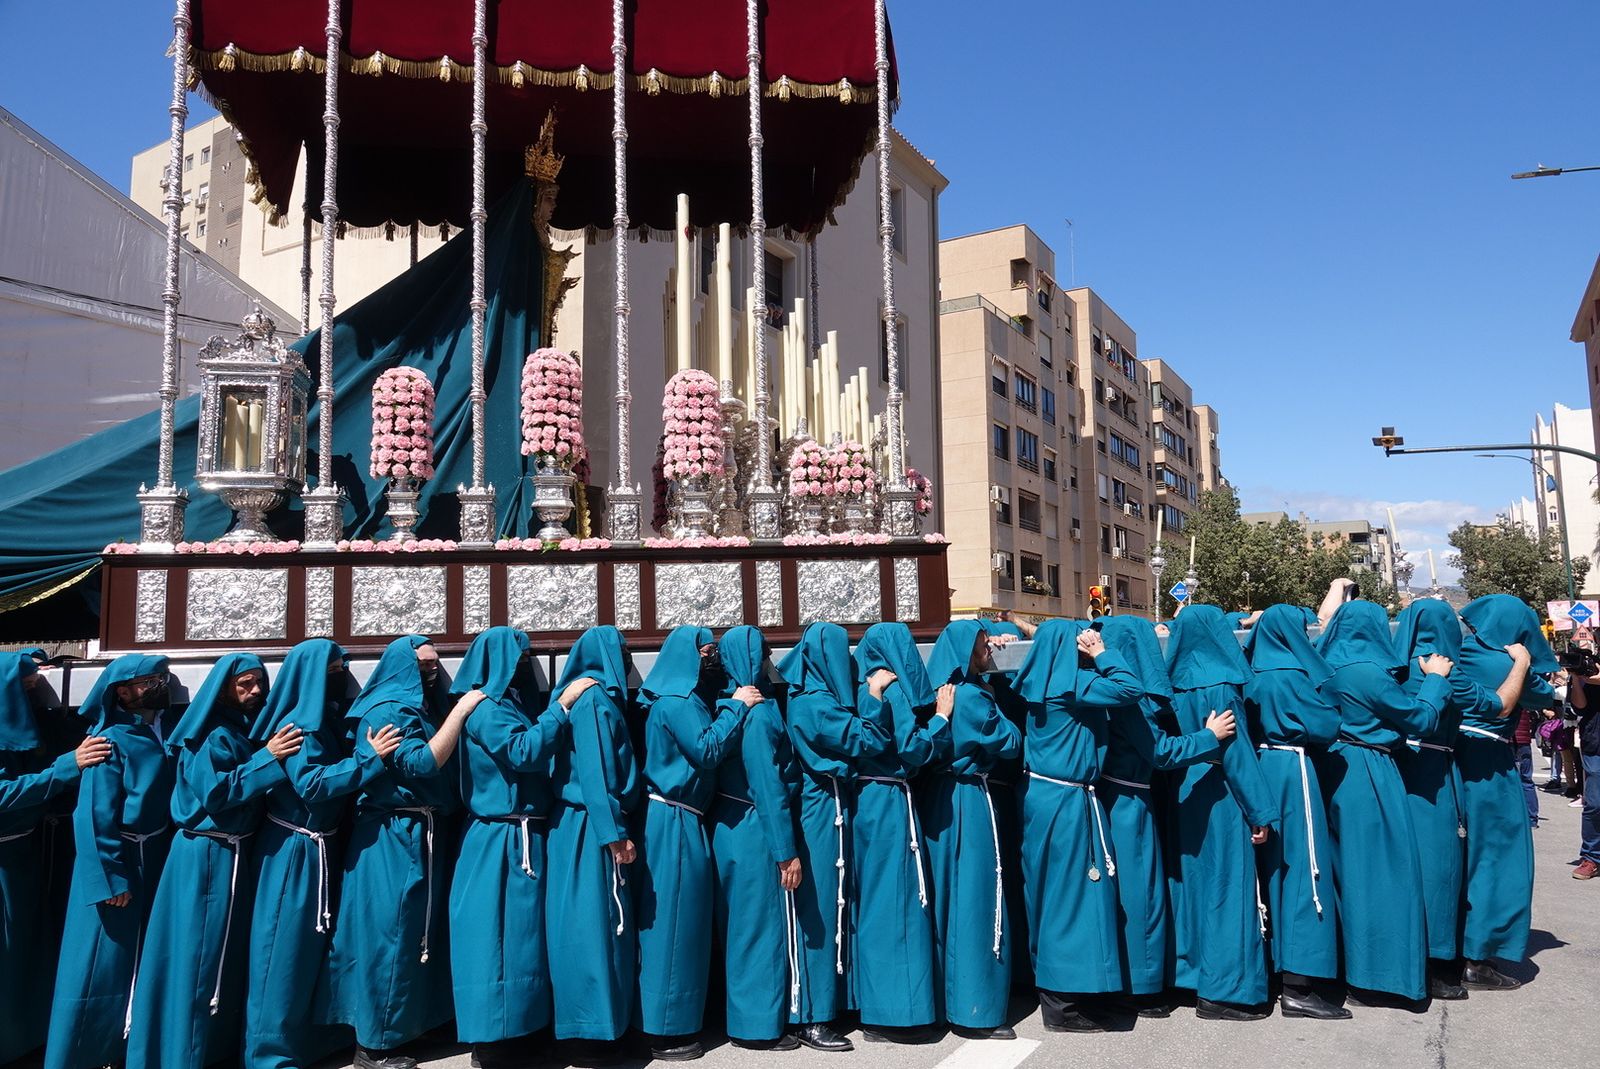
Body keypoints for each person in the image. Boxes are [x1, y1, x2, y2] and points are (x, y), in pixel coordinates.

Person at [126, 654, 302, 1068]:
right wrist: (270, 758)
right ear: (223, 686)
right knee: (198, 958)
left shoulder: (240, 728)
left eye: (259, 681)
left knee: (220, 959)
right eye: (245, 683)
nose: (256, 690)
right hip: (206, 856)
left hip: (232, 854)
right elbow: (217, 794)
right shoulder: (207, 733)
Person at [328, 635, 485, 1069]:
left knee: (418, 931)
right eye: (423, 665)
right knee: (391, 935)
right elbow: (420, 763)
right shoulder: (389, 711)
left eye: (435, 663)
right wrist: (463, 709)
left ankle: (410, 1026)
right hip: (394, 837)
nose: (432, 671)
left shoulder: (414, 706)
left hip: (421, 831)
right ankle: (374, 1044)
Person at [244, 640, 401, 1069]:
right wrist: (370, 758)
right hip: (294, 851)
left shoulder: (325, 723)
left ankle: (306, 1044)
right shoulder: (297, 726)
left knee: (311, 952)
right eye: (334, 670)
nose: (342, 676)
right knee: (281, 954)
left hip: (321, 847)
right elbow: (311, 784)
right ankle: (268, 1057)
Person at [449, 627, 577, 1068]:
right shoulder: (486, 709)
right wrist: (561, 709)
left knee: (522, 939)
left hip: (520, 835)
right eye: (520, 658)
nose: (527, 666)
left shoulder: (512, 705)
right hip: (498, 839)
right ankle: (492, 1041)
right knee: (493, 940)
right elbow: (522, 752)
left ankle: (521, 1029)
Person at [45, 654, 176, 1069]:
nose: (159, 684)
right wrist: (111, 876)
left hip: (154, 855)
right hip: (119, 861)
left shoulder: (162, 730)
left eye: (162, 676)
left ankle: (129, 1045)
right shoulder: (110, 740)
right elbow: (93, 815)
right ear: (122, 691)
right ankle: (81, 1053)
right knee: (99, 961)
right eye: (148, 679)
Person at [1317, 600, 1451, 1005]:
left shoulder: (1325, 668)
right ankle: (1376, 976)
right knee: (1381, 876)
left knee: (1345, 872)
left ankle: (1345, 970)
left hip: (1333, 767)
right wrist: (1435, 680)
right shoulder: (1369, 674)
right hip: (1369, 771)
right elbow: (1421, 720)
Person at [1097, 616, 1232, 1017]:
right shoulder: (1129, 697)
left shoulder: (1105, 687)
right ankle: (1139, 986)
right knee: (1141, 894)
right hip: (1128, 803)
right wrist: (1210, 737)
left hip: (1119, 798)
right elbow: (1161, 753)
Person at [1013, 618, 1144, 1031]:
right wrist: (1102, 652)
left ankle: (1073, 996)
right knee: (1073, 899)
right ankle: (1064, 1006)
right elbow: (1130, 688)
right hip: (1068, 802)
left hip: (1048, 799)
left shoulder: (1041, 683)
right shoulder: (1075, 687)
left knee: (1059, 896)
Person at [1392, 599, 1526, 1000]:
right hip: (1435, 774)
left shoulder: (1393, 668)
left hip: (1395, 770)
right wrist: (1519, 663)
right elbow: (1499, 705)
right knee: (1440, 868)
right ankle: (1435, 966)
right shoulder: (1445, 671)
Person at [634, 626, 750, 1061]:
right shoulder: (677, 702)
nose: (711, 660)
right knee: (674, 926)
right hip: (674, 819)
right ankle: (666, 1029)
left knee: (686, 923)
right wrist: (737, 708)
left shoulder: (682, 700)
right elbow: (707, 749)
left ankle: (675, 1020)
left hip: (683, 817)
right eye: (705, 653)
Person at [1163, 604, 1280, 1020]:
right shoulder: (1223, 687)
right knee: (1228, 886)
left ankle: (1193, 978)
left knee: (1194, 887)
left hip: (1187, 788)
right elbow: (1237, 755)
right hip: (1221, 792)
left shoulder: (1173, 684)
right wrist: (1259, 811)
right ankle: (1226, 990)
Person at [778, 621, 888, 1052]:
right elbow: (871, 738)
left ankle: (828, 1005)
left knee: (834, 904)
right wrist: (875, 695)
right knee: (820, 909)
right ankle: (811, 1017)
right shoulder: (817, 705)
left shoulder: (813, 698)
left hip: (830, 805)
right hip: (819, 809)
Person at [0, 651, 111, 1065]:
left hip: (25, 854)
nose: (33, 697)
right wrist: (64, 769)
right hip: (4, 864)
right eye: (25, 691)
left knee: (29, 952)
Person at [1241, 604, 1346, 1019]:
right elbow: (1326, 726)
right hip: (1292, 768)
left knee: (1271, 873)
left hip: (1262, 766)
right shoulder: (1291, 674)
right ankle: (1300, 984)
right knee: (1305, 869)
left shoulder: (1251, 671)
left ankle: (1276, 967)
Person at [919, 620, 1021, 1039]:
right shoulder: (975, 699)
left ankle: (948, 1002)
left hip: (939, 800)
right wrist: (996, 693)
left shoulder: (940, 693)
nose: (988, 649)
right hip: (969, 801)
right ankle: (976, 1009)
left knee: (946, 902)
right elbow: (1012, 742)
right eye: (983, 644)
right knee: (977, 902)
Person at [545, 626, 640, 1064]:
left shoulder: (592, 699)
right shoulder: (594, 701)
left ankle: (602, 1028)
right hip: (589, 826)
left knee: (598, 925)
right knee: (592, 926)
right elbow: (598, 774)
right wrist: (613, 833)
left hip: (587, 823)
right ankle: (593, 1035)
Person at [850, 620, 948, 1042]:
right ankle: (896, 1014)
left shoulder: (860, 688)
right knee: (899, 905)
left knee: (874, 903)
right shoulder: (893, 691)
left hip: (868, 802)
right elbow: (913, 748)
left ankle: (877, 1008)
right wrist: (942, 720)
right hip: (892, 803)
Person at [710, 626, 806, 1051]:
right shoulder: (760, 712)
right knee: (759, 928)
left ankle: (747, 1019)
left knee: (739, 927)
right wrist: (786, 853)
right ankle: (757, 1027)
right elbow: (768, 787)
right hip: (753, 829)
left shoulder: (726, 704)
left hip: (730, 825)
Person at [1454, 594, 1549, 990]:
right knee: (1500, 858)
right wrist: (1526, 661)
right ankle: (1479, 955)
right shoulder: (1508, 662)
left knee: (1459, 859)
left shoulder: (1456, 652)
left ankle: (1453, 946)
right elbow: (1545, 696)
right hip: (1490, 767)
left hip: (1449, 763)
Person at [1571, 655, 1600, 880]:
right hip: (1595, 744)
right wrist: (1576, 677)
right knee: (1595, 803)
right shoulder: (1588, 669)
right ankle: (1591, 857)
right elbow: (1580, 706)